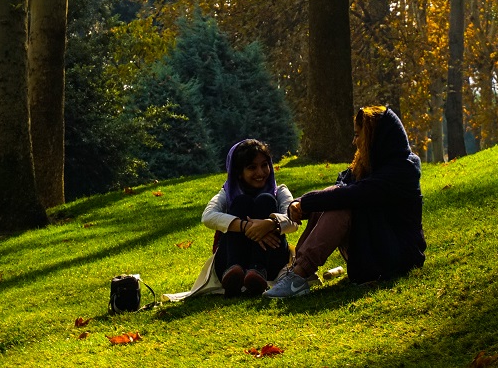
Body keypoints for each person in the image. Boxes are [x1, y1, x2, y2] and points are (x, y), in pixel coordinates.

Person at [263, 106, 426, 299]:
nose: (354, 141)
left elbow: (355, 194)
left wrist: (306, 202)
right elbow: (342, 183)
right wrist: (300, 204)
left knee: (340, 203)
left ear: (376, 138)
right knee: (334, 196)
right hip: (372, 248)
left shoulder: (403, 170)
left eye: (359, 136)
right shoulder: (366, 164)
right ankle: (301, 271)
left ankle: (299, 274)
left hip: (397, 255)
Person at [163, 139, 299, 302]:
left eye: (264, 165)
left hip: (271, 261)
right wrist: (246, 227)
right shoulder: (227, 193)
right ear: (239, 172)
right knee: (241, 202)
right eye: (252, 167)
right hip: (231, 258)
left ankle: (258, 271)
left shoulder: (280, 192)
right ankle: (234, 270)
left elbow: (293, 220)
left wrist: (270, 224)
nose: (261, 172)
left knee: (266, 200)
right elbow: (208, 216)